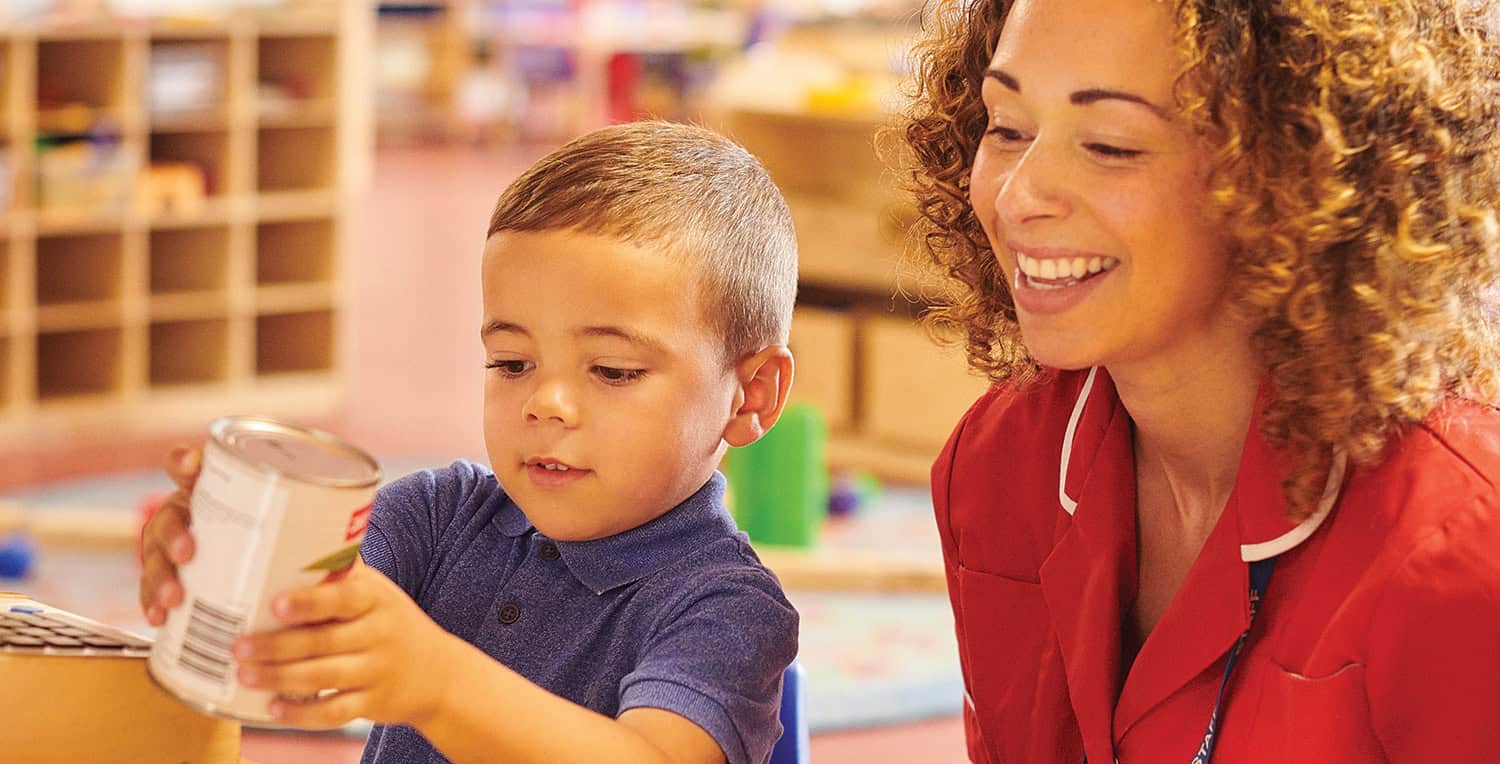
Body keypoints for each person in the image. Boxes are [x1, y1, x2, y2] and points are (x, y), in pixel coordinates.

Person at [901, 0, 1500, 761]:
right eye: (1007, 127)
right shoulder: (995, 464)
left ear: (1293, 168)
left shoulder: (1460, 557)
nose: (1018, 195)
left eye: (1111, 145)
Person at [138, 121, 801, 764]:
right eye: (513, 363)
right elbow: (296, 648)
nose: (546, 403)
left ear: (751, 396)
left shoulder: (729, 610)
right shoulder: (438, 514)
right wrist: (229, 558)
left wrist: (438, 683)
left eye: (613, 370)